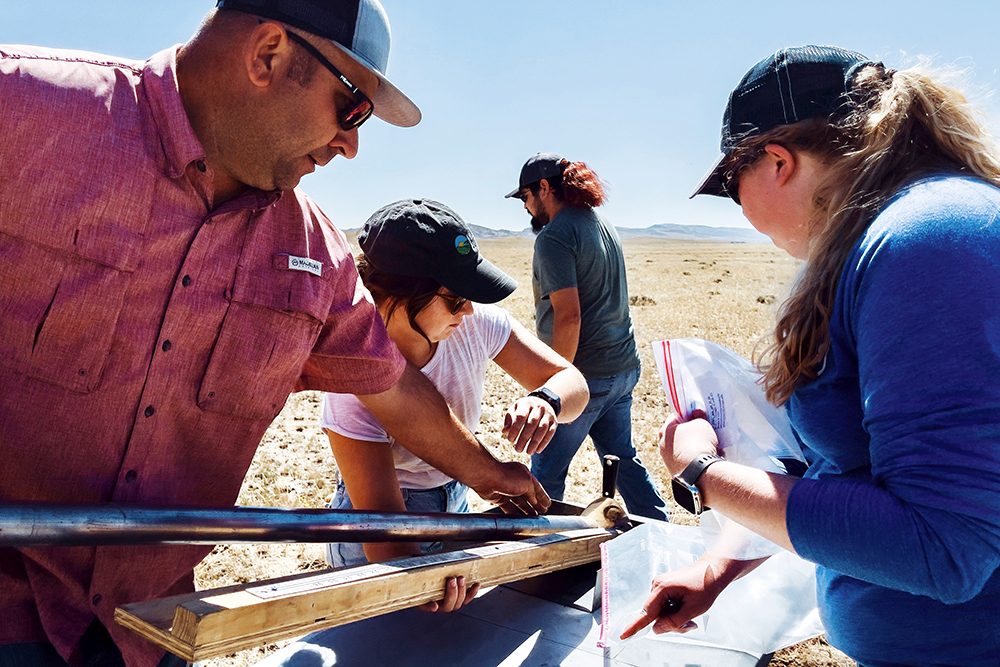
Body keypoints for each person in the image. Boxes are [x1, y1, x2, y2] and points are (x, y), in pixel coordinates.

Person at [0, 3, 548, 667]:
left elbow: (389, 382)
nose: (352, 145)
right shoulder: (25, 110)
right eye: (352, 110)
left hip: (145, 629)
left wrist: (489, 473)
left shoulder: (315, 252)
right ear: (268, 55)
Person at [621, 46, 1000, 667]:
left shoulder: (929, 241)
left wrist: (703, 475)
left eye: (731, 187)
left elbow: (942, 545)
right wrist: (724, 565)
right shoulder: (910, 233)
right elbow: (849, 474)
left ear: (777, 162)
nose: (741, 214)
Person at [320, 199, 587, 608]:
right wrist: (425, 590)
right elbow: (386, 544)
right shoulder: (350, 387)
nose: (467, 310)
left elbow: (573, 383)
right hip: (384, 520)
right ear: (395, 293)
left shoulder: (476, 323)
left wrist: (547, 400)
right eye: (453, 298)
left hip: (455, 500)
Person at [506, 155, 669, 521]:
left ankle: (540, 555)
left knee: (546, 474)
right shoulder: (603, 224)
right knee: (623, 458)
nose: (527, 206)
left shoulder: (554, 237)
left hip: (586, 376)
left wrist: (555, 387)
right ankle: (660, 528)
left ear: (544, 189)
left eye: (525, 197)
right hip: (623, 368)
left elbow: (569, 315)